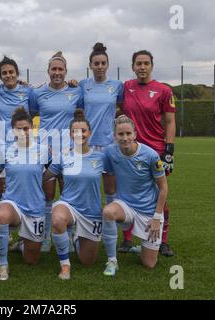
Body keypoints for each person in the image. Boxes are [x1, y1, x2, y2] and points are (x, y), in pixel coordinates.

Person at [120, 50, 176, 257]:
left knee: (160, 194)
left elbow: (170, 121)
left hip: (155, 151)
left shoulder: (164, 91)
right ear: (133, 66)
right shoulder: (126, 87)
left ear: (151, 65)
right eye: (138, 63)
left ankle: (163, 240)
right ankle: (126, 240)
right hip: (129, 151)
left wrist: (169, 150)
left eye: (145, 63)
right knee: (125, 193)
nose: (142, 67)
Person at [44, 109, 112, 280]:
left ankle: (75, 238)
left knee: (87, 261)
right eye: (75, 131)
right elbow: (46, 177)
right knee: (58, 219)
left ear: (89, 132)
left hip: (91, 212)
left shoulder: (101, 157)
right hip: (68, 205)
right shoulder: (64, 155)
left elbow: (113, 184)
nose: (80, 134)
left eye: (83, 130)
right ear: (70, 133)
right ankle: (65, 264)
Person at [29, 51, 83, 252]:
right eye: (54, 69)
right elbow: (32, 113)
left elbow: (81, 114)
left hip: (69, 150)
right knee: (47, 194)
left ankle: (68, 236)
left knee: (69, 193)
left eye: (61, 69)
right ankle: (45, 237)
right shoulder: (37, 93)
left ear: (66, 71)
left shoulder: (76, 92)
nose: (57, 72)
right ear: (48, 71)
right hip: (46, 151)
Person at [78, 42, 124, 271]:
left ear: (108, 65)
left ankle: (112, 256)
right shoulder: (82, 86)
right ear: (90, 65)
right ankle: (79, 235)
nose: (99, 66)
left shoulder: (117, 86)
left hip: (108, 148)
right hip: (85, 148)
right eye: (96, 63)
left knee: (111, 197)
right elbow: (76, 110)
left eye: (103, 63)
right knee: (83, 193)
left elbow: (124, 111)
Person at [102, 115, 168, 269]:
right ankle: (112, 261)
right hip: (125, 205)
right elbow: (109, 177)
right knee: (108, 212)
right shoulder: (110, 153)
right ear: (114, 136)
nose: (125, 138)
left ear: (135, 134)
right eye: (121, 134)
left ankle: (145, 249)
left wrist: (157, 218)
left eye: (128, 133)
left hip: (148, 211)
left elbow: (163, 188)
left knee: (149, 264)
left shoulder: (150, 155)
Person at [0, 107, 49, 281]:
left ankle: (22, 243)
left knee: (31, 260)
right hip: (13, 204)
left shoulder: (43, 150)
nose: (23, 132)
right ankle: (3, 264)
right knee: (1, 216)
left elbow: (55, 170)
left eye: (26, 128)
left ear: (32, 128)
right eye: (18, 129)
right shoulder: (5, 151)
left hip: (35, 206)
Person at [0, 56, 33, 201]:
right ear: (0, 76)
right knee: (3, 192)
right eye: (4, 73)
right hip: (1, 147)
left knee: (23, 189)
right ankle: (5, 221)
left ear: (17, 73)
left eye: (11, 72)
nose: (8, 75)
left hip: (22, 147)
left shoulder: (28, 91)